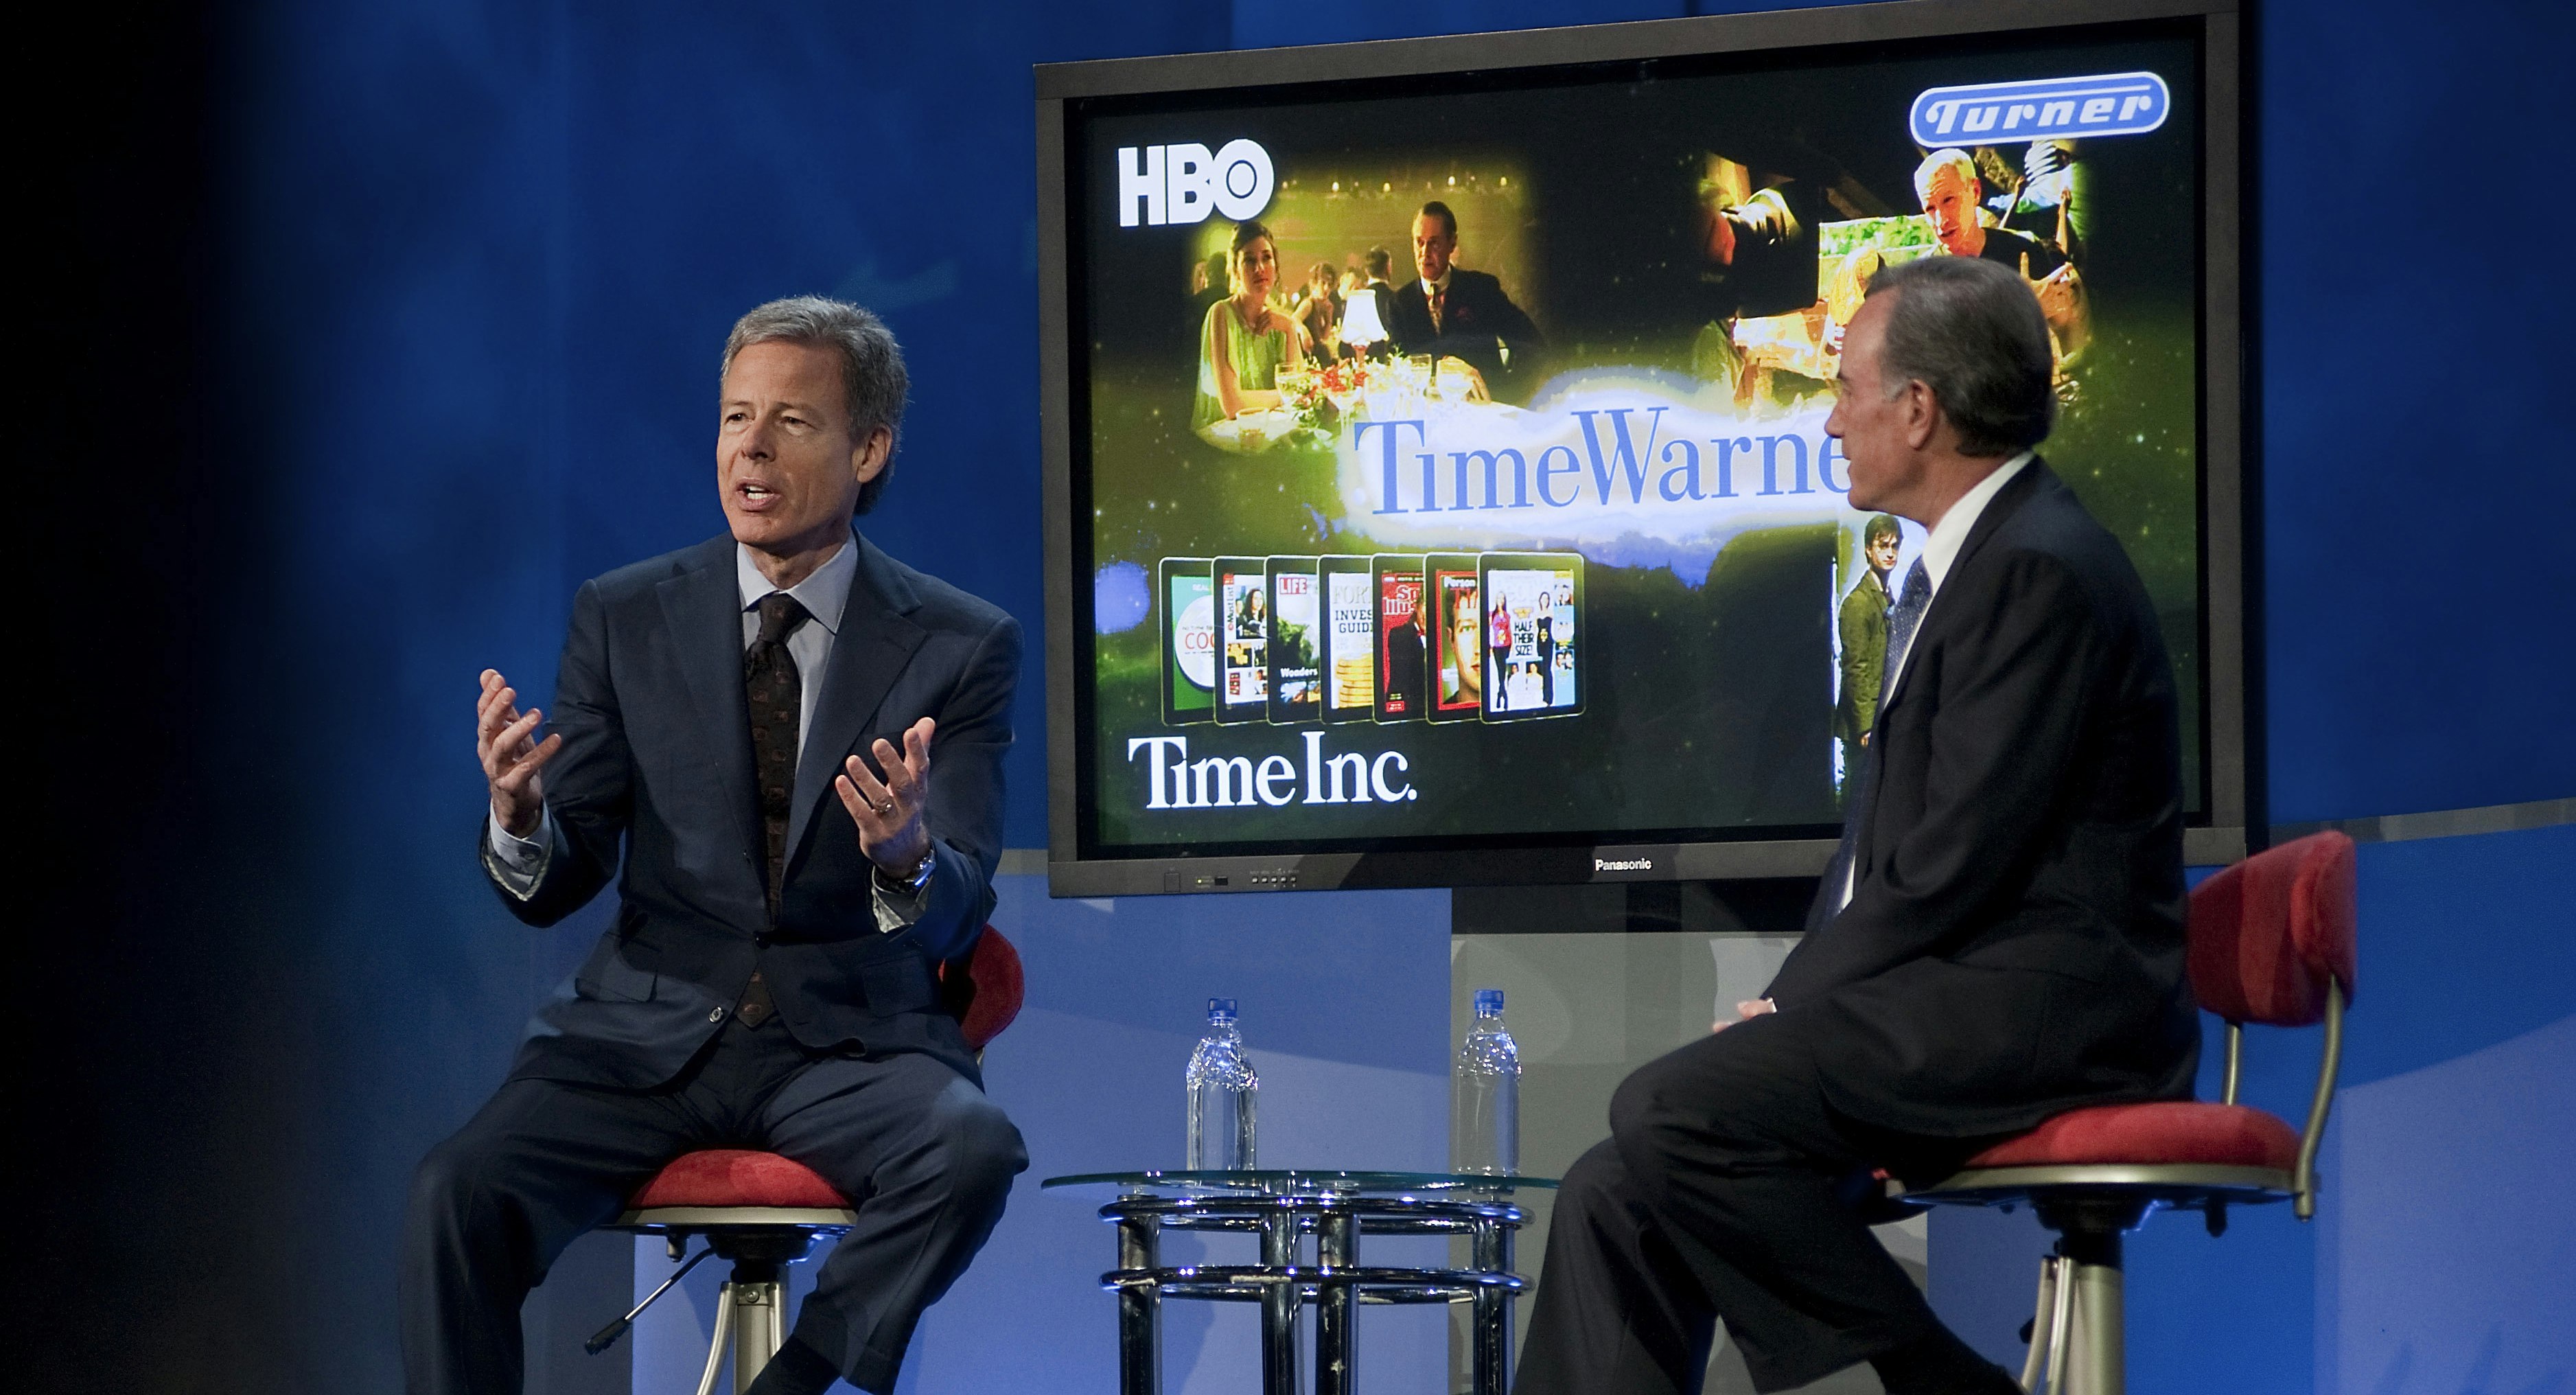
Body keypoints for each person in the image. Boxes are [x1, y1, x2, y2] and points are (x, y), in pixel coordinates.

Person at [1513, 254, 2196, 1395]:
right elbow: (1881, 861)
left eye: (1844, 389)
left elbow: (1949, 862)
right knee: (1611, 1188)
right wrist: (1796, 996)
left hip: (2046, 1009)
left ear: (1918, 409)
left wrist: (1795, 1004)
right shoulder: (1970, 562)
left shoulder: (2035, 572)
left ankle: (1934, 1378)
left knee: (1668, 1108)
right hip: (1956, 990)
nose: (1826, 419)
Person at [403, 297, 1028, 1395]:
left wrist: (904, 855)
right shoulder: (626, 614)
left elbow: (960, 900)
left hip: (848, 1047)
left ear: (868, 448)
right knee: (456, 1191)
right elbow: (566, 873)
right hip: (643, 1037)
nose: (751, 446)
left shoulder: (962, 643)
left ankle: (793, 1385)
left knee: (971, 1150)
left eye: (792, 420)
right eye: (737, 417)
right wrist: (520, 819)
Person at [1916, 148, 2087, 355]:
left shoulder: (2024, 251)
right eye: (1930, 209)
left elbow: (2070, 330)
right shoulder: (1921, 282)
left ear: (1975, 192)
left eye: (1949, 200)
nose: (1941, 221)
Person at [1389, 200, 1544, 392]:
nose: (1425, 253)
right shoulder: (1400, 303)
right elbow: (1397, 366)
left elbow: (1532, 343)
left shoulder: (1481, 289)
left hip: (1484, 411)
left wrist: (1511, 391)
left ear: (1452, 243)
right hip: (1429, 414)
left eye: (1434, 243)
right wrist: (1447, 367)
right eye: (1419, 242)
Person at [1193, 220, 1308, 430]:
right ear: (1235, 270)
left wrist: (1291, 330)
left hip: (1270, 437)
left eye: (1266, 258)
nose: (1260, 268)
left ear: (1276, 266)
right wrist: (1284, 395)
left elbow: (1301, 395)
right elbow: (1233, 406)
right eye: (1249, 260)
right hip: (1227, 440)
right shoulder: (1221, 314)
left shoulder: (1280, 322)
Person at [1836, 513, 1903, 779]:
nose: (1890, 553)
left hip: (1883, 719)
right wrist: (1865, 727)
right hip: (1863, 729)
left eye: (1895, 546)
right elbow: (1855, 668)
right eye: (1882, 546)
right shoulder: (1858, 603)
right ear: (1868, 549)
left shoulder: (1886, 597)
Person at [1295, 260, 1342, 360]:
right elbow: (1294, 319)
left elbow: (1324, 337)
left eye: (1329, 285)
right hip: (1305, 358)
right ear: (1313, 283)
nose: (1326, 288)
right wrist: (1303, 331)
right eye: (1323, 283)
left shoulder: (1325, 306)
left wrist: (1329, 319)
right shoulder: (1308, 303)